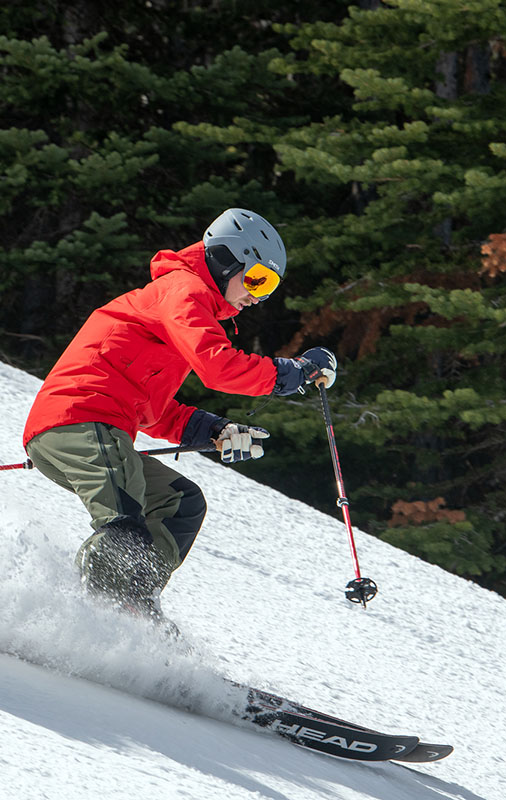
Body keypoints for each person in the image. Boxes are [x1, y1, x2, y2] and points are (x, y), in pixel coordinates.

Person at [22, 208, 336, 620]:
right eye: (258, 279)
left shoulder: (187, 305)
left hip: (100, 428)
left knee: (182, 503)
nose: (258, 296)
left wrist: (213, 429)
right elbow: (217, 366)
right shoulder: (183, 291)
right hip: (79, 420)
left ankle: (133, 607)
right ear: (228, 260)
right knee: (123, 526)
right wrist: (288, 374)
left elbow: (150, 409)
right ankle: (74, 616)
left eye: (270, 287)